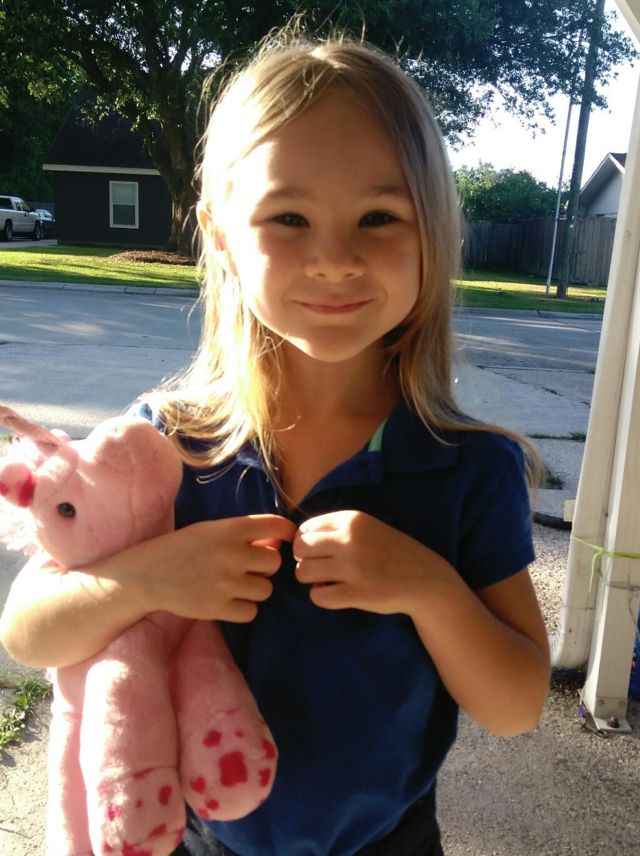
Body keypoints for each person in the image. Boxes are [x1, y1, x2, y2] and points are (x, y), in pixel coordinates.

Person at [0, 28, 550, 856]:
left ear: (433, 234)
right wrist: (150, 576)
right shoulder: (163, 448)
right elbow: (29, 632)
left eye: (378, 216)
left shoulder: (467, 467)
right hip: (196, 841)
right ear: (220, 232)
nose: (334, 259)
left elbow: (516, 706)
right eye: (289, 217)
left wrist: (429, 588)